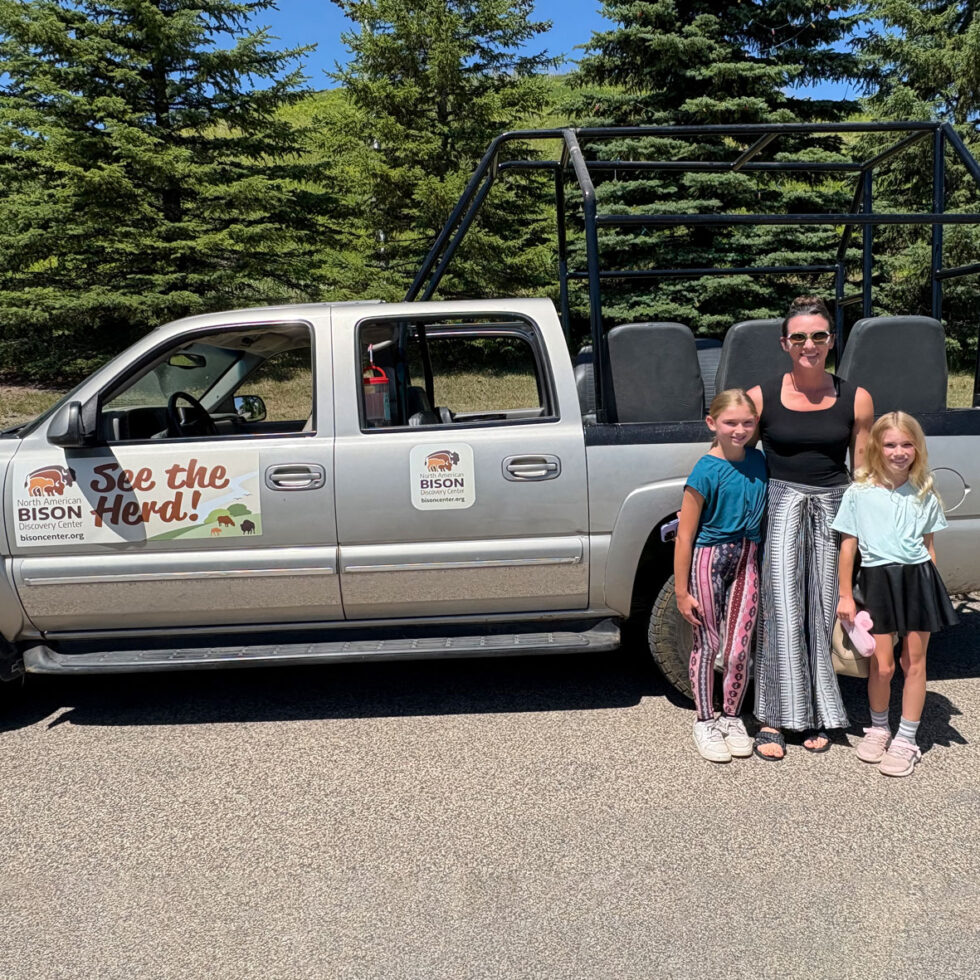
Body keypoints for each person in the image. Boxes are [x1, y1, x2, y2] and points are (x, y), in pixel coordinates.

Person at [746, 296, 874, 760]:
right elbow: (733, 453)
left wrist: (865, 535)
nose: (809, 344)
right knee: (780, 612)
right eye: (799, 336)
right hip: (780, 506)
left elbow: (861, 474)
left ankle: (818, 712)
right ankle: (773, 718)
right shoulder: (760, 396)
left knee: (824, 612)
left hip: (834, 509)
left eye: (818, 335)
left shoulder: (855, 397)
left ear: (831, 340)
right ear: (785, 343)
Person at [832, 412, 958, 777]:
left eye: (907, 444)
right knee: (882, 665)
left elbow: (928, 548)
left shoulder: (924, 491)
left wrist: (931, 589)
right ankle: (878, 728)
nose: (899, 452)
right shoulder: (859, 492)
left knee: (912, 664)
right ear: (876, 447)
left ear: (917, 448)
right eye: (890, 444)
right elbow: (848, 546)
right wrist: (845, 594)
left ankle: (906, 739)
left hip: (918, 581)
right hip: (877, 581)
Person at [674, 389, 768, 762]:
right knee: (708, 642)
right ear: (713, 423)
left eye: (747, 423)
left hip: (748, 557)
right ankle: (704, 719)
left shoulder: (759, 461)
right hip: (709, 558)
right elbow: (685, 533)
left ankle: (731, 716)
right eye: (731, 423)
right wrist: (682, 590)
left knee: (739, 646)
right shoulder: (705, 470)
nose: (739, 430)